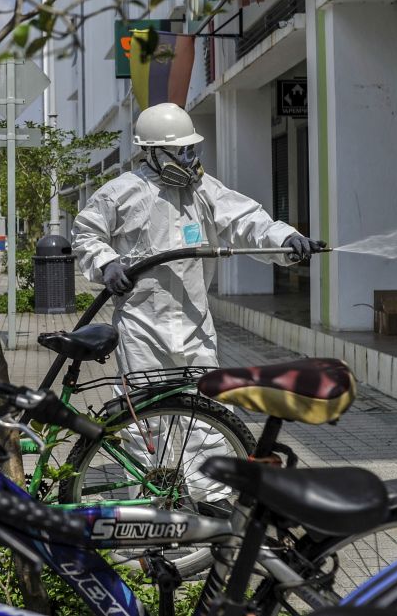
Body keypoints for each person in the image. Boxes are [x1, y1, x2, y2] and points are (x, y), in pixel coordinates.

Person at [72, 102, 323, 505]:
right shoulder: (121, 192)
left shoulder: (204, 191)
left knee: (206, 414)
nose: (190, 159)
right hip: (141, 328)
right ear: (152, 152)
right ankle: (148, 504)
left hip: (193, 323)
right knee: (145, 423)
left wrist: (285, 239)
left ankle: (211, 502)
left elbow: (247, 222)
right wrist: (106, 263)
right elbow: (86, 234)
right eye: (181, 152)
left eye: (193, 150)